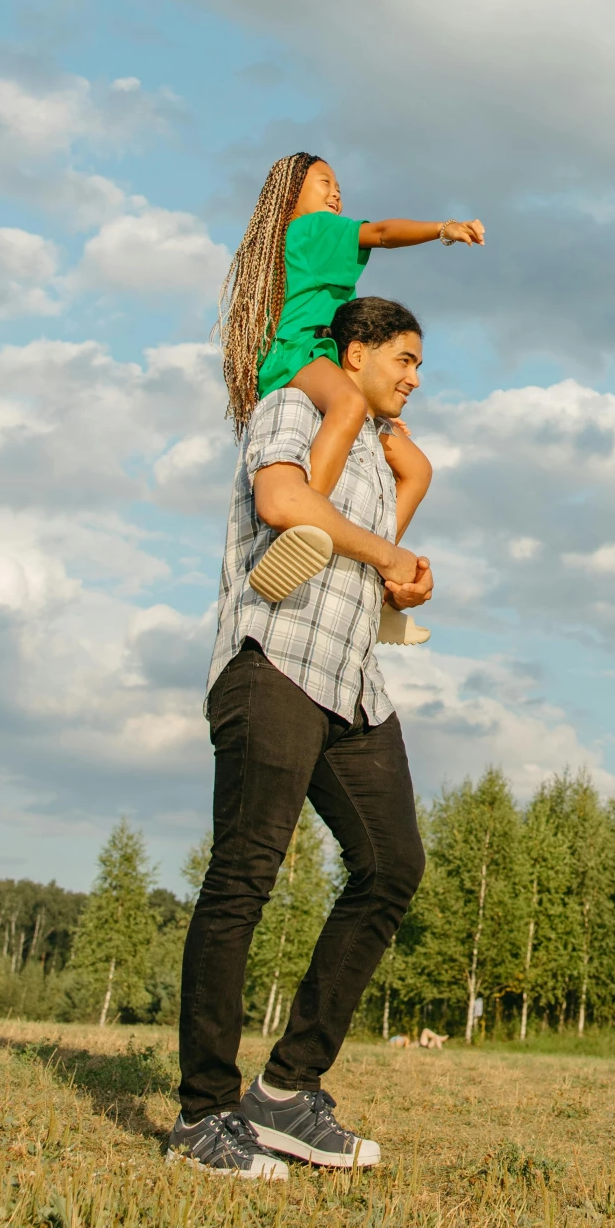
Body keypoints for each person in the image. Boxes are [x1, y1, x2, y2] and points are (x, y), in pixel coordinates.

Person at [168, 295, 436, 1179]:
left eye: (418, 364)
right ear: (352, 352)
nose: (413, 376)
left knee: (391, 866)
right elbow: (283, 501)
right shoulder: (292, 403)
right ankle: (204, 1112)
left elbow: (363, 551)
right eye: (402, 357)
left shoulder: (372, 451)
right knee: (245, 875)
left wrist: (396, 578)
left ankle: (285, 1093)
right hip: (273, 658)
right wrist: (384, 553)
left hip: (352, 681)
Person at [216, 152, 481, 596]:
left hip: (322, 356)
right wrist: (442, 229)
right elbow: (379, 232)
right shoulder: (313, 229)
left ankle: (380, 572)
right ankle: (302, 525)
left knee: (416, 467)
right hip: (298, 352)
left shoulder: (308, 242)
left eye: (337, 185)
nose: (336, 192)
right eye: (324, 182)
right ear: (289, 195)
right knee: (350, 404)